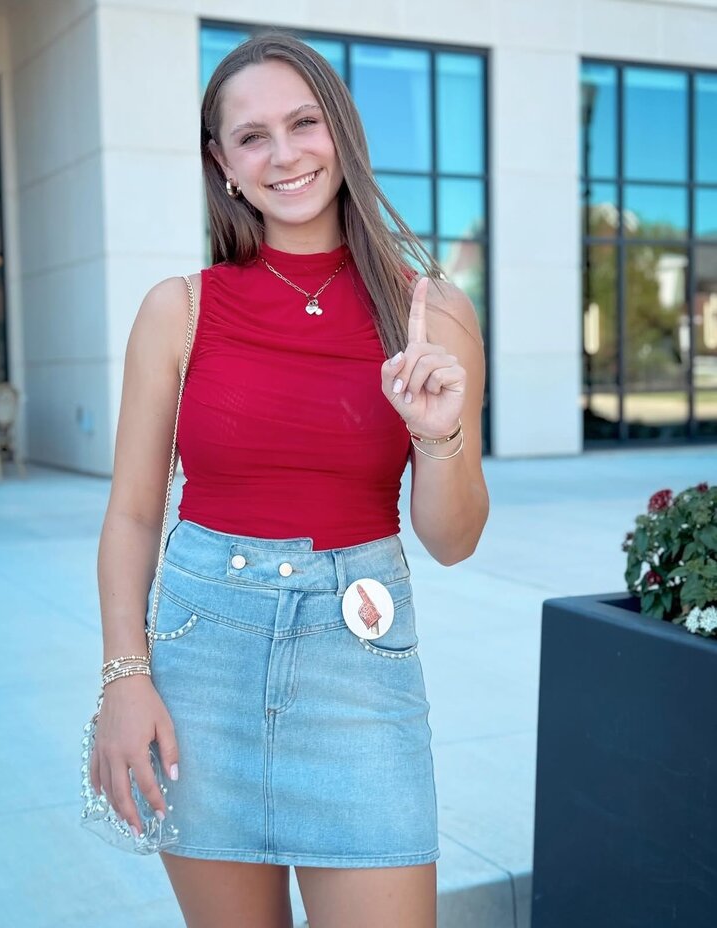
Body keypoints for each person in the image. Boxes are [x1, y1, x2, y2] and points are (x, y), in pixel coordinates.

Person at [90, 30, 489, 928]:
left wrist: (440, 436)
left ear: (341, 133)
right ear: (222, 164)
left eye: (304, 123)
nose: (285, 154)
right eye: (252, 135)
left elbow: (454, 539)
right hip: (201, 665)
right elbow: (131, 515)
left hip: (360, 664)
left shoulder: (430, 311)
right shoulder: (178, 310)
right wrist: (124, 677)